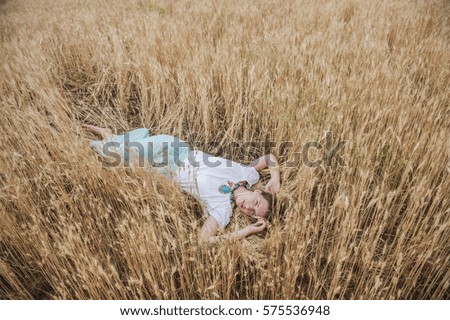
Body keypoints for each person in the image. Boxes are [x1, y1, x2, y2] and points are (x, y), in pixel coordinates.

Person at [82, 125, 281, 243]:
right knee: (124, 152)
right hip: (176, 148)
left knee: (117, 155)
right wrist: (275, 178)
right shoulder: (248, 174)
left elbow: (203, 240)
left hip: (164, 169)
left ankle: (106, 134)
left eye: (253, 214)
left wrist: (247, 231)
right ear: (258, 191)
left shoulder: (222, 210)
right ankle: (109, 136)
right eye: (256, 203)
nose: (248, 208)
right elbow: (269, 157)